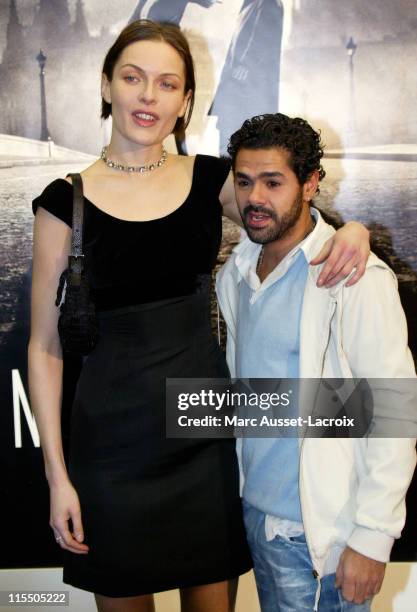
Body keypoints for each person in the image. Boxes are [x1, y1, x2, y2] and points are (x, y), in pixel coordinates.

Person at [28, 20, 370, 612]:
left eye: (167, 84)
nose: (148, 96)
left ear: (186, 101)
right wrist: (58, 477)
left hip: (202, 437)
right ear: (107, 85)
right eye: (133, 78)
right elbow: (43, 346)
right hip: (110, 449)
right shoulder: (65, 201)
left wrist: (355, 231)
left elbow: (290, 221)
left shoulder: (212, 181)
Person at [215, 113, 417, 611]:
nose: (254, 198)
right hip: (259, 523)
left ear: (310, 184)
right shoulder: (237, 274)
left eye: (273, 182)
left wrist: (372, 537)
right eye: (244, 181)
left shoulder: (357, 278)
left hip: (323, 539)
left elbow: (392, 408)